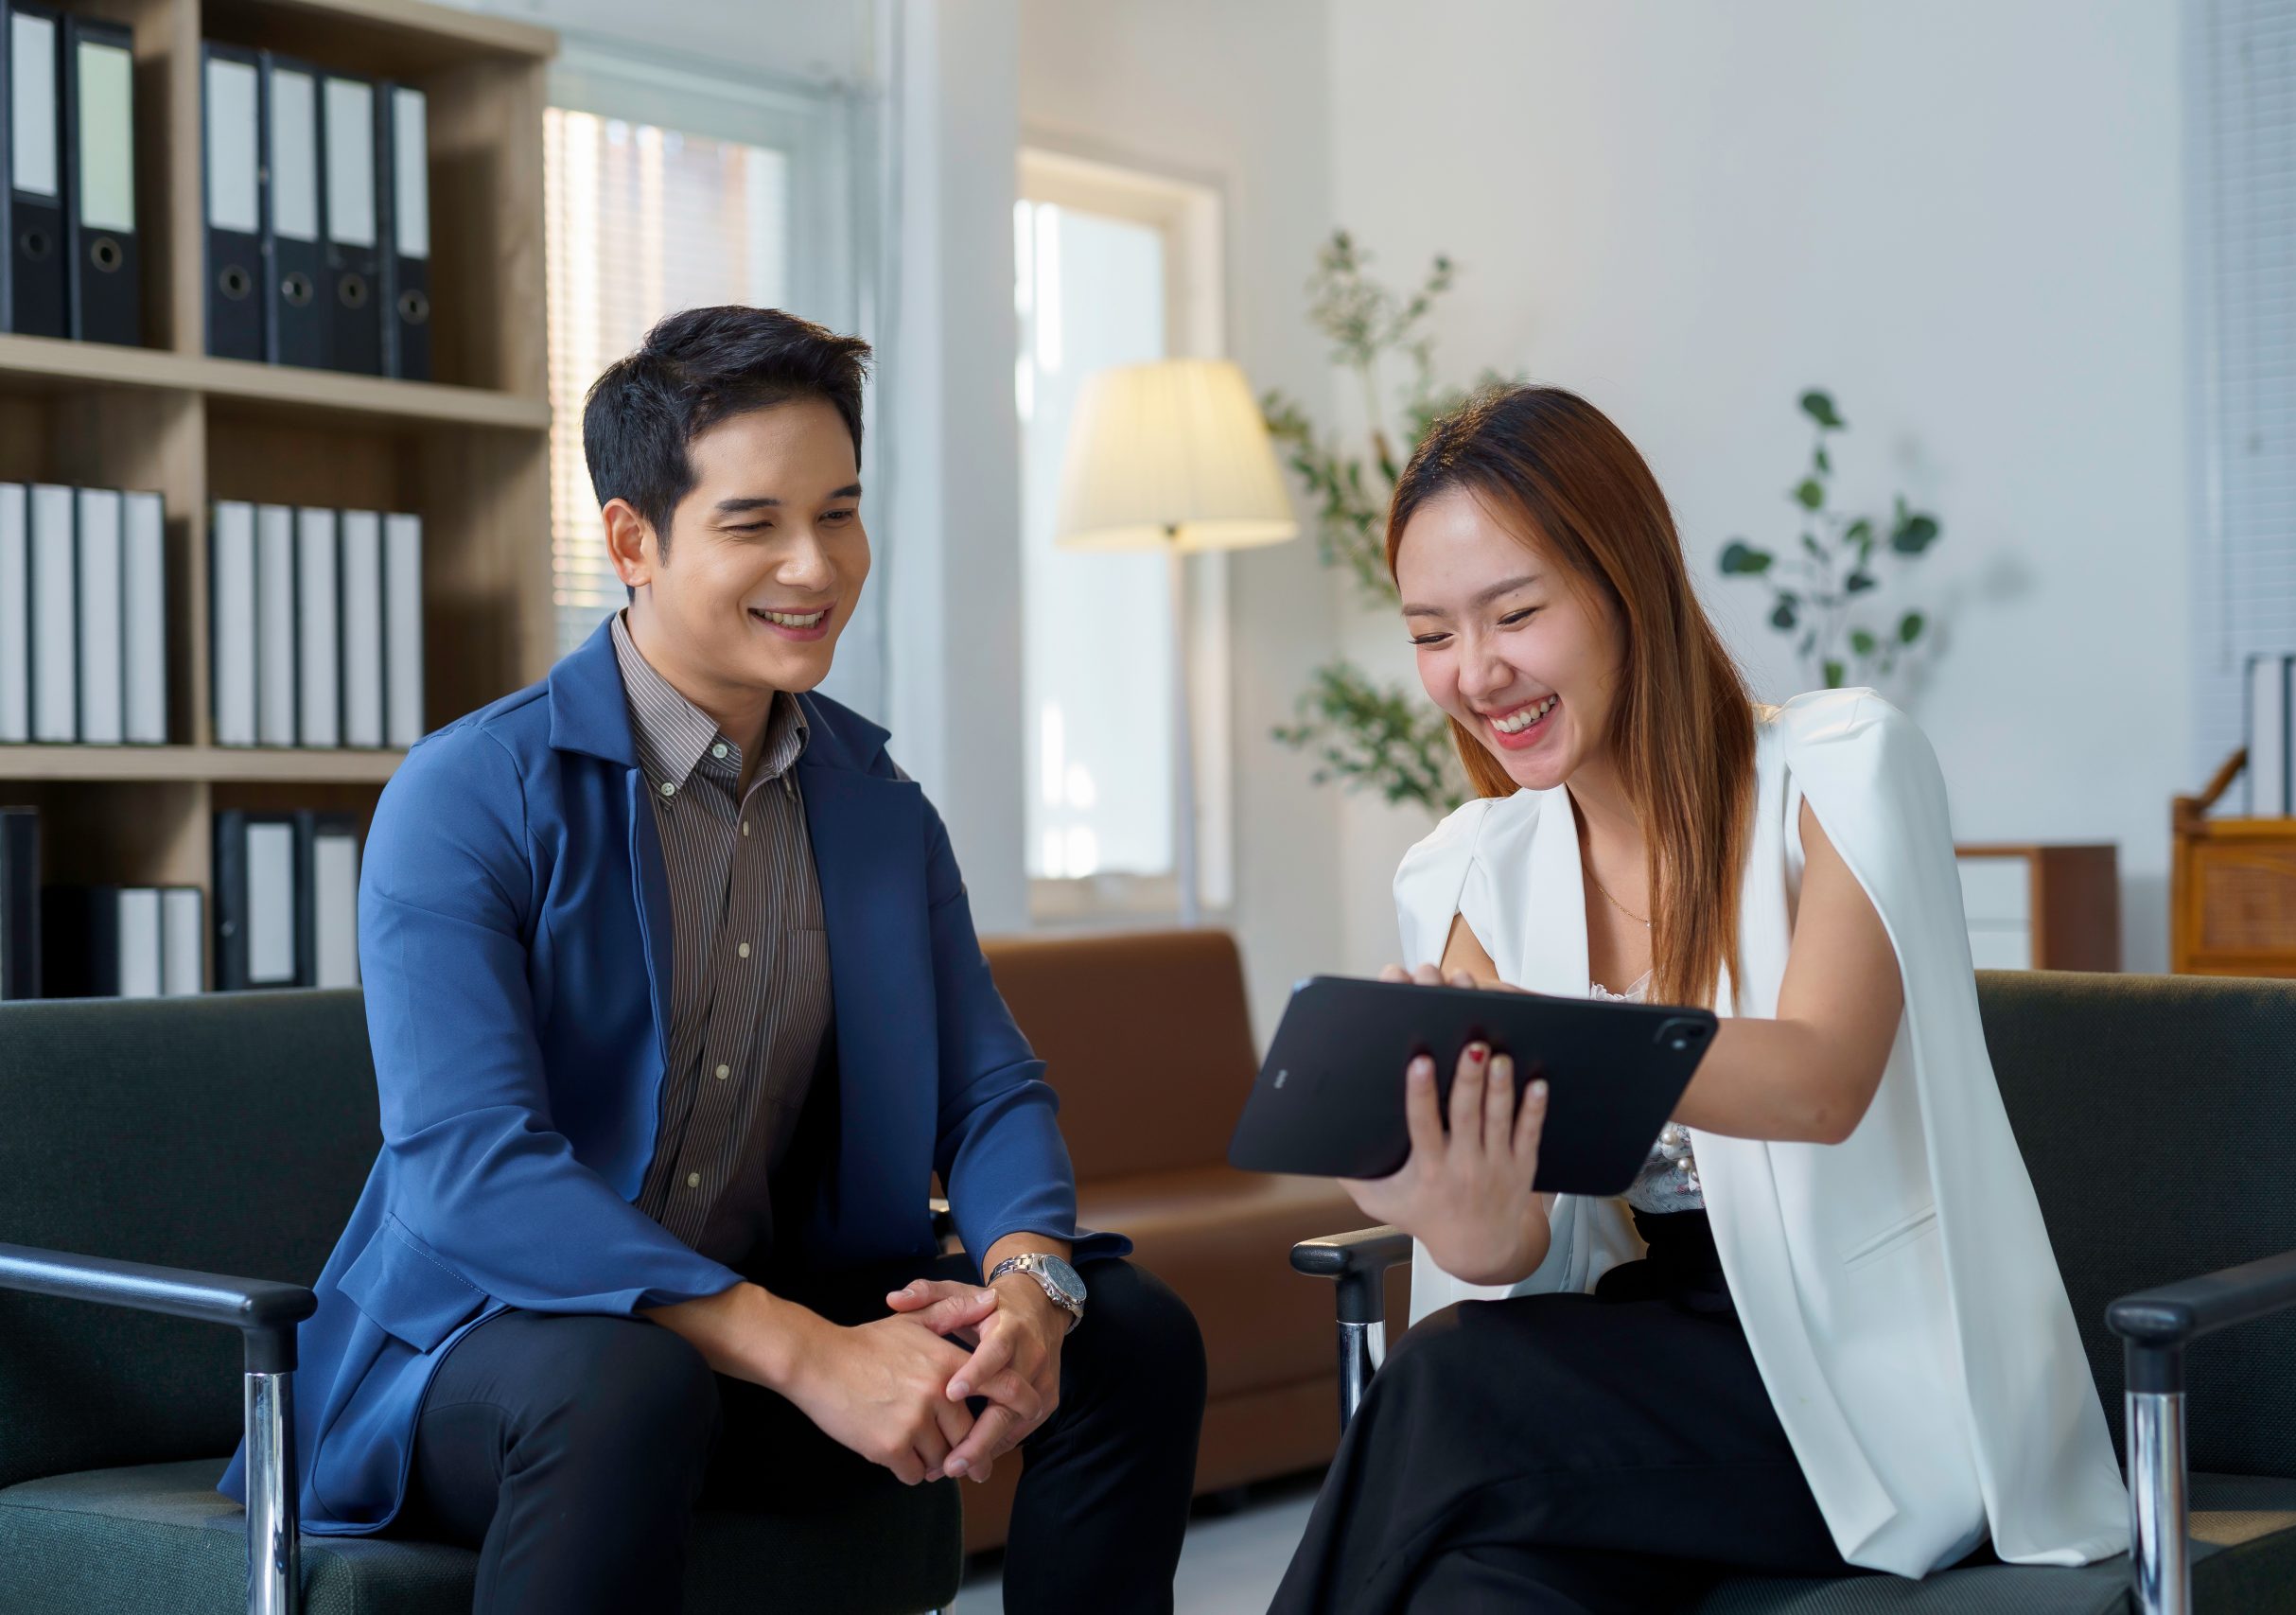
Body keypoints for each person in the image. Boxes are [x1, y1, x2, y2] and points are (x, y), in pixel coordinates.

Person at [218, 306, 1206, 1615]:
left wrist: (1033, 1285)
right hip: (471, 1354)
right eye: (755, 525)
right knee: (628, 1379)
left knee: (1127, 1336)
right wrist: (803, 1353)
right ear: (632, 539)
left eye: (840, 514)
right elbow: (470, 1171)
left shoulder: (877, 805)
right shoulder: (471, 793)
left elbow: (991, 1093)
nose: (816, 566)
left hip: (752, 1345)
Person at [1270, 384, 2128, 1613]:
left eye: (1515, 614)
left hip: (1862, 1388)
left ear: (1629, 582)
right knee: (1477, 1580)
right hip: (1634, 1363)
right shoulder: (1465, 870)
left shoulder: (1841, 771)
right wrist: (1456, 1210)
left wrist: (1545, 1037)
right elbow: (1530, 1253)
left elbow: (1823, 1081)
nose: (1475, 672)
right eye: (1431, 633)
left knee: (1445, 1385)